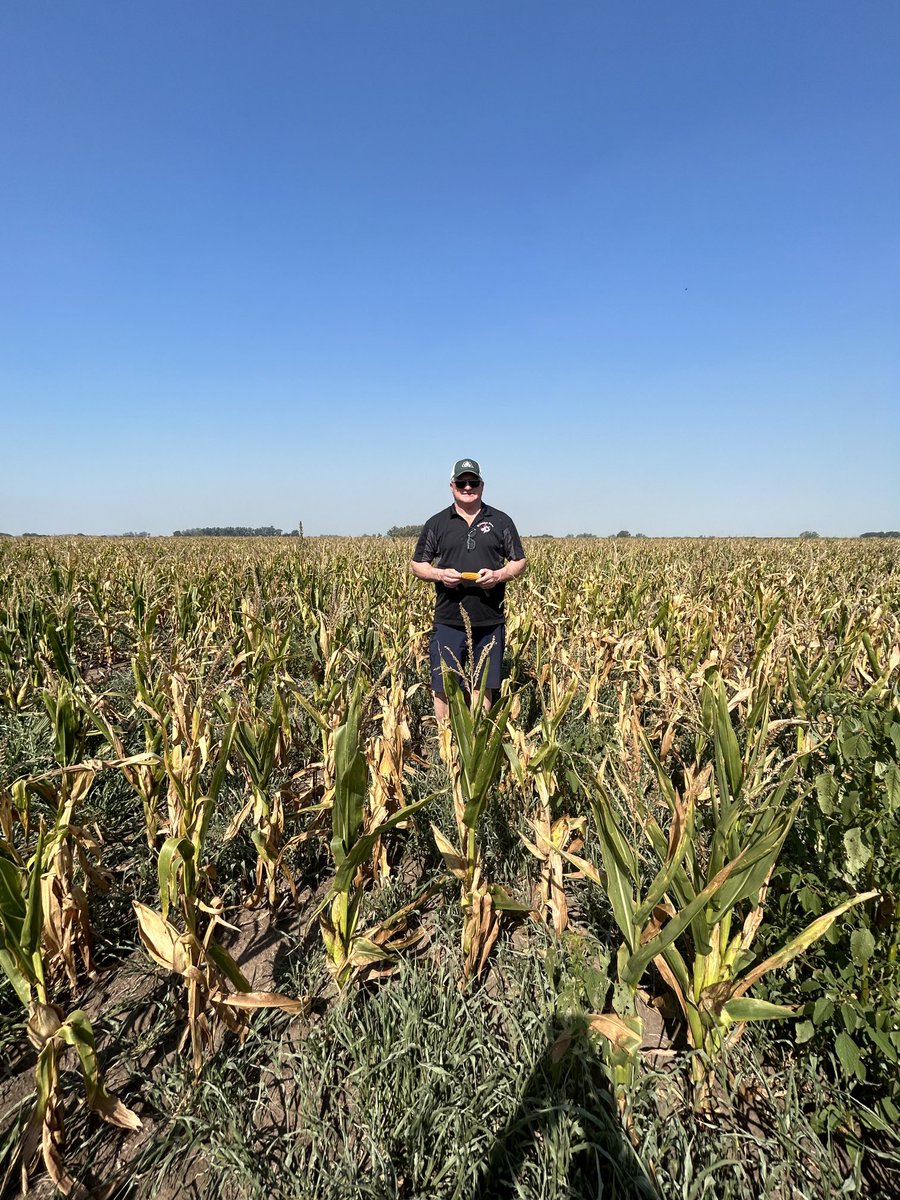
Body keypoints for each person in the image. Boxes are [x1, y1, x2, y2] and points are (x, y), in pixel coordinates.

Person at [410, 459, 526, 721]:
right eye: (462, 482)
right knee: (443, 686)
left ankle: (477, 741)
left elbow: (519, 561)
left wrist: (499, 575)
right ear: (452, 486)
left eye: (473, 482)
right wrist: (439, 574)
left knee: (482, 685)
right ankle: (446, 745)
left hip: (489, 620)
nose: (468, 487)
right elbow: (417, 565)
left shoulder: (500, 521)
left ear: (482, 485)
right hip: (449, 619)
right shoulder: (437, 523)